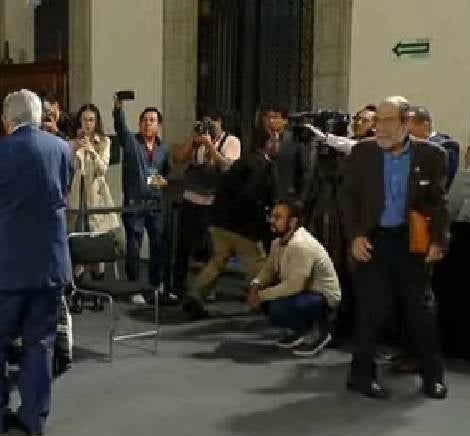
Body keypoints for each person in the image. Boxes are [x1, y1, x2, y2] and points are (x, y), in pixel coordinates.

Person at [0, 89, 72, 436]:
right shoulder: (61, 150)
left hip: (3, 267)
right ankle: (34, 417)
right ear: (39, 118)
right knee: (40, 341)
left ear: (7, 121)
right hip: (48, 264)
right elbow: (62, 193)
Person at [342, 96, 448, 400]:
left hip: (410, 242)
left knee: (422, 312)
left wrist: (439, 240)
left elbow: (438, 202)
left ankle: (433, 377)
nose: (380, 128)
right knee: (372, 312)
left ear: (405, 123)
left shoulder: (431, 155)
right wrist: (355, 236)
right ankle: (360, 376)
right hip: (374, 240)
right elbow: (348, 198)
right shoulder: (363, 153)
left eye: (388, 121)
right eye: (378, 121)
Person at [182, 127, 275, 320]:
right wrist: (261, 223)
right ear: (269, 144)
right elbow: (252, 196)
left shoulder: (242, 162)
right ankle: (266, 302)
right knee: (257, 266)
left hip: (219, 220)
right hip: (243, 226)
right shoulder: (262, 166)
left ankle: (196, 294)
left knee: (217, 261)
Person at [249, 200, 341, 356]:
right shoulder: (277, 243)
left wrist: (261, 296)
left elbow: (295, 285)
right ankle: (300, 331)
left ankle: (320, 332)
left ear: (292, 222)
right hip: (305, 292)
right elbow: (268, 270)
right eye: (271, 216)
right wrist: (255, 287)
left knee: (276, 305)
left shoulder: (301, 245)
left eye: (278, 217)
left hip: (322, 296)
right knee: (269, 301)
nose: (272, 221)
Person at [170, 109, 241, 297]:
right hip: (190, 198)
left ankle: (207, 288)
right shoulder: (198, 139)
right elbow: (178, 160)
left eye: (212, 122)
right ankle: (178, 286)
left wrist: (210, 146)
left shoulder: (231, 141)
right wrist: (193, 139)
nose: (209, 126)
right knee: (183, 246)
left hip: (213, 202)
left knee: (211, 248)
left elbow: (227, 167)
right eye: (204, 122)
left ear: (220, 122)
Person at [114, 100, 171, 304]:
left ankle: (156, 285)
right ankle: (134, 288)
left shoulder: (163, 148)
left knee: (158, 244)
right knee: (134, 246)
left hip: (155, 204)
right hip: (135, 203)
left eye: (152, 120)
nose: (148, 124)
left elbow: (166, 173)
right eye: (145, 120)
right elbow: (121, 129)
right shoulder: (132, 143)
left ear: (158, 125)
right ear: (140, 124)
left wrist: (162, 182)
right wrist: (118, 108)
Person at [66, 103, 119, 312]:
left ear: (96, 122)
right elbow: (69, 168)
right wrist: (75, 150)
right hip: (77, 197)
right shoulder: (72, 143)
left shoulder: (104, 142)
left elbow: (103, 169)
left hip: (96, 198)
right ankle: (77, 294)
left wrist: (92, 151)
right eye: (84, 120)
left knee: (97, 244)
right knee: (78, 243)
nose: (87, 124)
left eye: (91, 120)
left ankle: (99, 294)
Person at [408, 105, 461, 189]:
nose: (407, 137)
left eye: (410, 132)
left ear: (425, 126)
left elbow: (441, 181)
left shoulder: (447, 146)